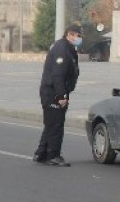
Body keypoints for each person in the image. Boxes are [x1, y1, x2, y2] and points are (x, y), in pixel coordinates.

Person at [34, 23, 83, 166]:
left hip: (53, 90)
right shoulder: (62, 49)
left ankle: (41, 153)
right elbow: (57, 76)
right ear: (70, 34)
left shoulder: (67, 47)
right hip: (53, 92)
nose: (79, 39)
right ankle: (53, 155)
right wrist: (61, 96)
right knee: (56, 124)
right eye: (77, 36)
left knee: (50, 124)